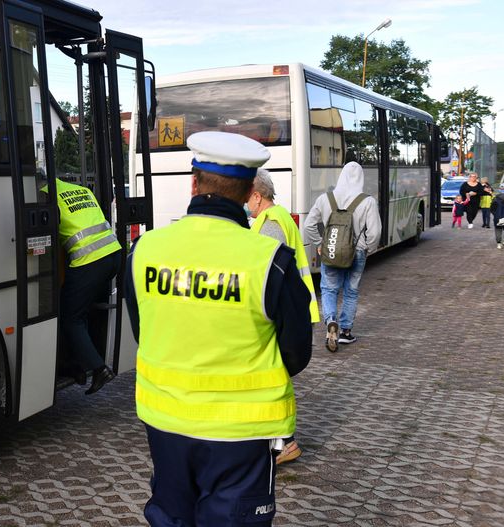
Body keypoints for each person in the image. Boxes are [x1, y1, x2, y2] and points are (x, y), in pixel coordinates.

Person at [126, 131, 312, 526]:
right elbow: (297, 352)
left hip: (165, 422)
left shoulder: (144, 249)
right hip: (241, 435)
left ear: (193, 183)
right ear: (248, 193)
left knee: (172, 517)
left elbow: (143, 330)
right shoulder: (272, 260)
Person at [246, 168, 318, 466]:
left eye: (247, 197)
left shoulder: (271, 224)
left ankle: (284, 442)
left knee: (272, 381)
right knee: (273, 380)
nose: (245, 203)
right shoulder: (279, 216)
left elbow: (268, 274)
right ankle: (279, 440)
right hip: (292, 308)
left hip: (282, 313)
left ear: (257, 196)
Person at [44, 177, 121, 395]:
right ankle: (77, 365)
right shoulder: (79, 190)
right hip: (113, 254)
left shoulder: (44, 195)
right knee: (80, 311)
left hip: (89, 260)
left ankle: (99, 369)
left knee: (70, 318)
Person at [304, 161, 381, 353]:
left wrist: (320, 243)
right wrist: (367, 248)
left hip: (330, 251)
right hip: (357, 252)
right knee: (351, 291)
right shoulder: (368, 201)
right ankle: (346, 332)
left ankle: (331, 321)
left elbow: (308, 225)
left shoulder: (325, 199)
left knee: (329, 290)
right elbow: (375, 232)